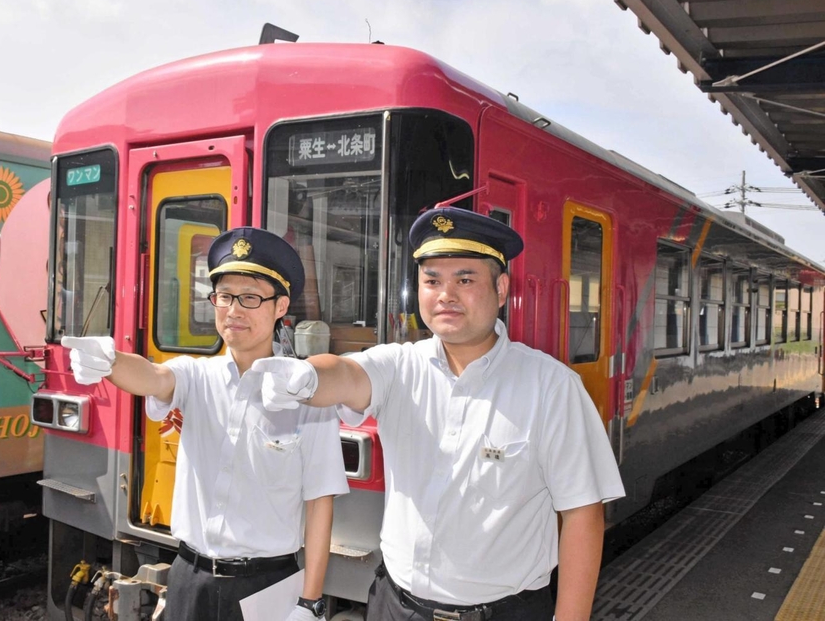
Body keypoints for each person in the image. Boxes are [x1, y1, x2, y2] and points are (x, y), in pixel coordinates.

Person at [255, 207, 626, 621]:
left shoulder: (552, 387)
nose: (445, 294)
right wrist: (304, 376)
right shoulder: (399, 367)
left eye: (465, 280)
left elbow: (582, 514)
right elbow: (346, 374)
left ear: (501, 289)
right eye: (432, 281)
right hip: (397, 608)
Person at [62, 227, 348, 621]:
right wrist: (110, 362)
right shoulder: (197, 376)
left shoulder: (307, 394)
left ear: (281, 306)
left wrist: (310, 601)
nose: (233, 311)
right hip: (188, 579)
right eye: (224, 297)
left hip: (266, 585)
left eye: (250, 298)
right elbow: (154, 376)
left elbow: (320, 503)